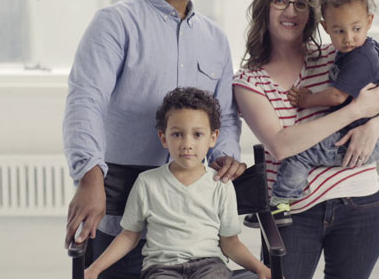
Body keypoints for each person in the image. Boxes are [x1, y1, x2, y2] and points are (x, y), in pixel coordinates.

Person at [63, 0, 244, 276]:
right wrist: (89, 176)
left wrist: (225, 153)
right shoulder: (115, 23)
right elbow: (86, 100)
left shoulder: (216, 40)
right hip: (118, 222)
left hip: (192, 232)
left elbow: (224, 115)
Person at [233, 0, 379, 278]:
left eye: (301, 3)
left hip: (361, 204)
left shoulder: (340, 52)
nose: (291, 11)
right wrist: (353, 111)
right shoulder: (249, 82)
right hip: (294, 214)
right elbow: (281, 145)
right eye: (280, 1)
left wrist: (371, 127)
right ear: (264, 8)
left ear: (311, 14)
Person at [84, 87, 271, 279]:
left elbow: (230, 242)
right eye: (177, 134)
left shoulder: (220, 184)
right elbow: (129, 236)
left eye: (197, 134)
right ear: (164, 138)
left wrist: (261, 269)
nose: (187, 143)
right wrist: (95, 269)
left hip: (210, 266)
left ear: (213, 138)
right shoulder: (147, 183)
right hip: (161, 268)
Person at [269, 0, 379, 218]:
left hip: (366, 136)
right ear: (326, 28)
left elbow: (337, 96)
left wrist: (306, 100)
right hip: (373, 132)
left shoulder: (359, 58)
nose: (348, 38)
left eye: (356, 29)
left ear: (369, 22)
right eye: (339, 31)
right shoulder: (366, 47)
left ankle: (281, 200)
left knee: (300, 151)